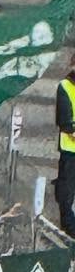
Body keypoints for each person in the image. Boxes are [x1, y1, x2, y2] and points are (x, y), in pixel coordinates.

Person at [56, 57, 75, 238]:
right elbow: (66, 123)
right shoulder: (66, 86)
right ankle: (70, 229)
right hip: (71, 151)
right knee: (67, 193)